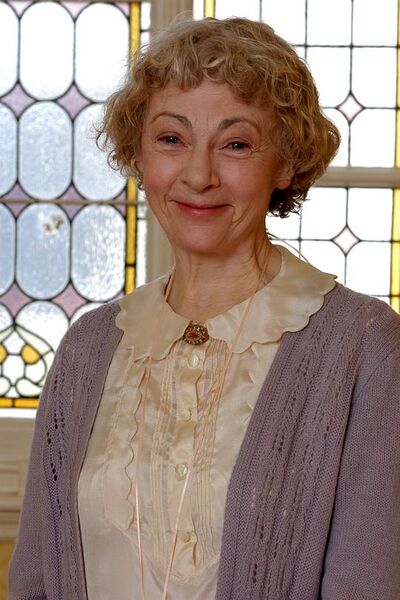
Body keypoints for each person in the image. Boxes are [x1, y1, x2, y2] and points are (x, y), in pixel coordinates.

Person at [9, 16, 400, 600]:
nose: (198, 175)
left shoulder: (366, 349)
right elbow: (36, 581)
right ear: (139, 153)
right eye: (171, 139)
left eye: (236, 144)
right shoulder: (89, 346)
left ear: (286, 163)